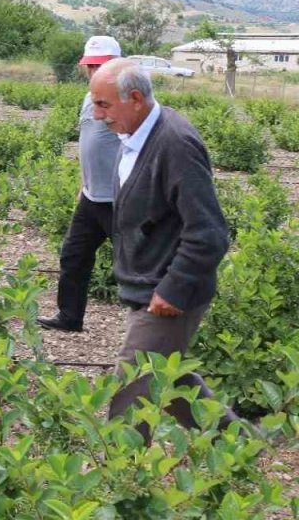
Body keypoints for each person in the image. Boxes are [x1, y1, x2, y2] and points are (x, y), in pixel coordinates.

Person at [89, 58, 237, 435]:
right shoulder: (135, 135)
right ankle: (238, 443)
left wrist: (174, 287)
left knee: (133, 382)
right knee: (170, 383)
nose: (96, 113)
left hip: (168, 292)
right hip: (148, 285)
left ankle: (123, 481)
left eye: (104, 104)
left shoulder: (174, 144)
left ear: (135, 98)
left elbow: (210, 231)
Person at [38, 35, 123, 332]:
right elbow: (90, 145)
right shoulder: (90, 98)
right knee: (74, 255)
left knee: (138, 268)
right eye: (91, 66)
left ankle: (155, 337)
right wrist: (83, 183)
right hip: (91, 197)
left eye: (101, 66)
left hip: (120, 200)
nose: (94, 72)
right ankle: (69, 317)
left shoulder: (129, 103)